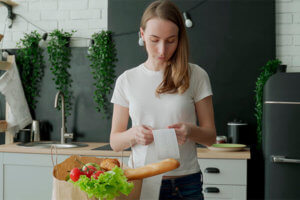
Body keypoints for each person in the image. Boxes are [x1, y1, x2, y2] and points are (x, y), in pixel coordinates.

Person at [110, 0, 216, 199]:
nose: (162, 50)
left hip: (185, 184)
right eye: (154, 40)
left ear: (180, 38)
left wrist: (190, 131)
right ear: (142, 35)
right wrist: (134, 134)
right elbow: (115, 142)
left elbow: (210, 137)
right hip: (140, 182)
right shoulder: (127, 80)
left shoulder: (196, 75)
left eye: (170, 40)